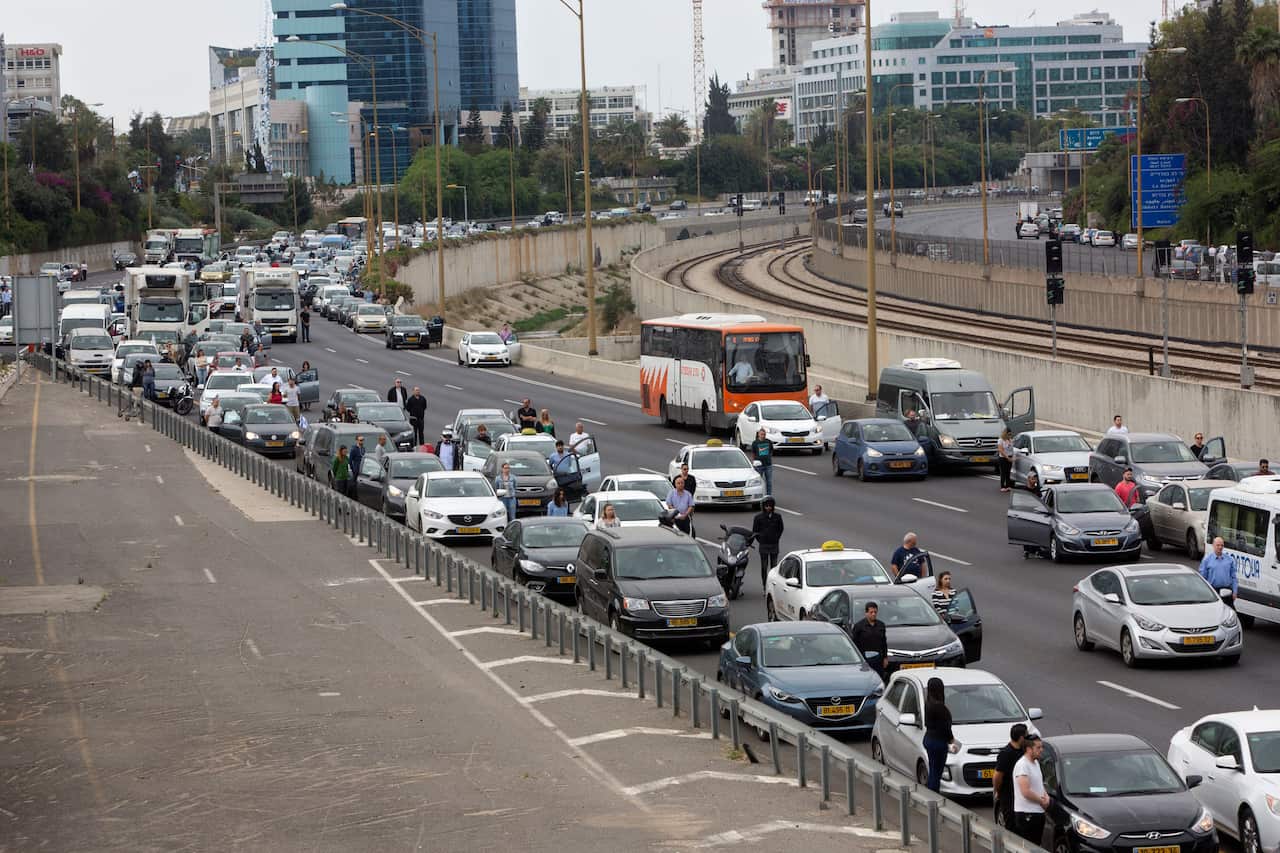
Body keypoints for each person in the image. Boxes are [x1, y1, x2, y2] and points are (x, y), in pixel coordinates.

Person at [1012, 735, 1050, 845]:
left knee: (1036, 845)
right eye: (1038, 748)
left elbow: (1039, 785)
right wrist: (1042, 801)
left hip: (1037, 813)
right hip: (1026, 815)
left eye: (1041, 747)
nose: (1041, 750)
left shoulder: (1035, 763)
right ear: (1029, 749)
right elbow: (1025, 791)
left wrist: (1046, 797)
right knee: (1028, 847)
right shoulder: (1022, 765)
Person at [923, 677, 956, 793]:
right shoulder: (940, 707)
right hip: (938, 742)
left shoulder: (928, 703)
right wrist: (952, 740)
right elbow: (945, 727)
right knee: (937, 772)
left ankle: (930, 792)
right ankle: (933, 796)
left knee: (933, 769)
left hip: (929, 739)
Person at [993, 725, 1030, 828]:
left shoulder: (1024, 751)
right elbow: (997, 776)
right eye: (1026, 736)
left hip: (1021, 795)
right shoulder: (1006, 753)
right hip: (1009, 796)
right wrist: (997, 791)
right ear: (1021, 738)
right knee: (1012, 824)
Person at [849, 602, 888, 680]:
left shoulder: (881, 625)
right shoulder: (859, 626)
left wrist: (885, 657)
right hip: (865, 659)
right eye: (871, 612)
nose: (873, 614)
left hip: (878, 659)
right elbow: (854, 644)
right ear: (866, 613)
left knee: (879, 678)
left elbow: (884, 642)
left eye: (875, 612)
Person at [751, 496, 784, 589]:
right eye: (766, 506)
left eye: (770, 506)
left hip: (774, 545)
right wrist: (760, 539)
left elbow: (780, 529)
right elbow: (755, 531)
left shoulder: (778, 517)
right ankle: (765, 586)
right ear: (763, 507)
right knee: (764, 567)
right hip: (764, 545)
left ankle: (773, 587)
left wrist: (776, 538)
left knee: (774, 567)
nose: (768, 508)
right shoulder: (758, 518)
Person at [1199, 536, 1237, 608]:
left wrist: (1235, 591)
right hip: (1213, 592)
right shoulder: (1207, 560)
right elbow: (1202, 578)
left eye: (1222, 545)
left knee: (1231, 613)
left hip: (1227, 591)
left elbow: (1233, 577)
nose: (1220, 547)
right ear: (1213, 546)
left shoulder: (1229, 560)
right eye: (1218, 545)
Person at [750, 428, 775, 496]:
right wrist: (754, 462)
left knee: (769, 482)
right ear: (758, 434)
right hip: (759, 466)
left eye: (764, 434)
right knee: (758, 482)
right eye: (761, 434)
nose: (763, 436)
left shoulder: (768, 442)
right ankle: (759, 495)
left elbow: (771, 451)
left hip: (768, 465)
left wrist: (769, 457)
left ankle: (769, 496)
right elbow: (753, 453)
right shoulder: (755, 443)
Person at [997, 428, 1015, 493]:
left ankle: (1008, 486)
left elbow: (1011, 449)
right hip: (1003, 458)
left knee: (1008, 472)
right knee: (1003, 472)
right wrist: (1007, 457)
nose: (1010, 435)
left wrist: (1012, 457)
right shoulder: (1000, 440)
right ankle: (1002, 486)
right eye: (1008, 434)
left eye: (1010, 434)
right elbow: (1001, 450)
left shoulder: (1010, 440)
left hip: (1009, 457)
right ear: (1005, 433)